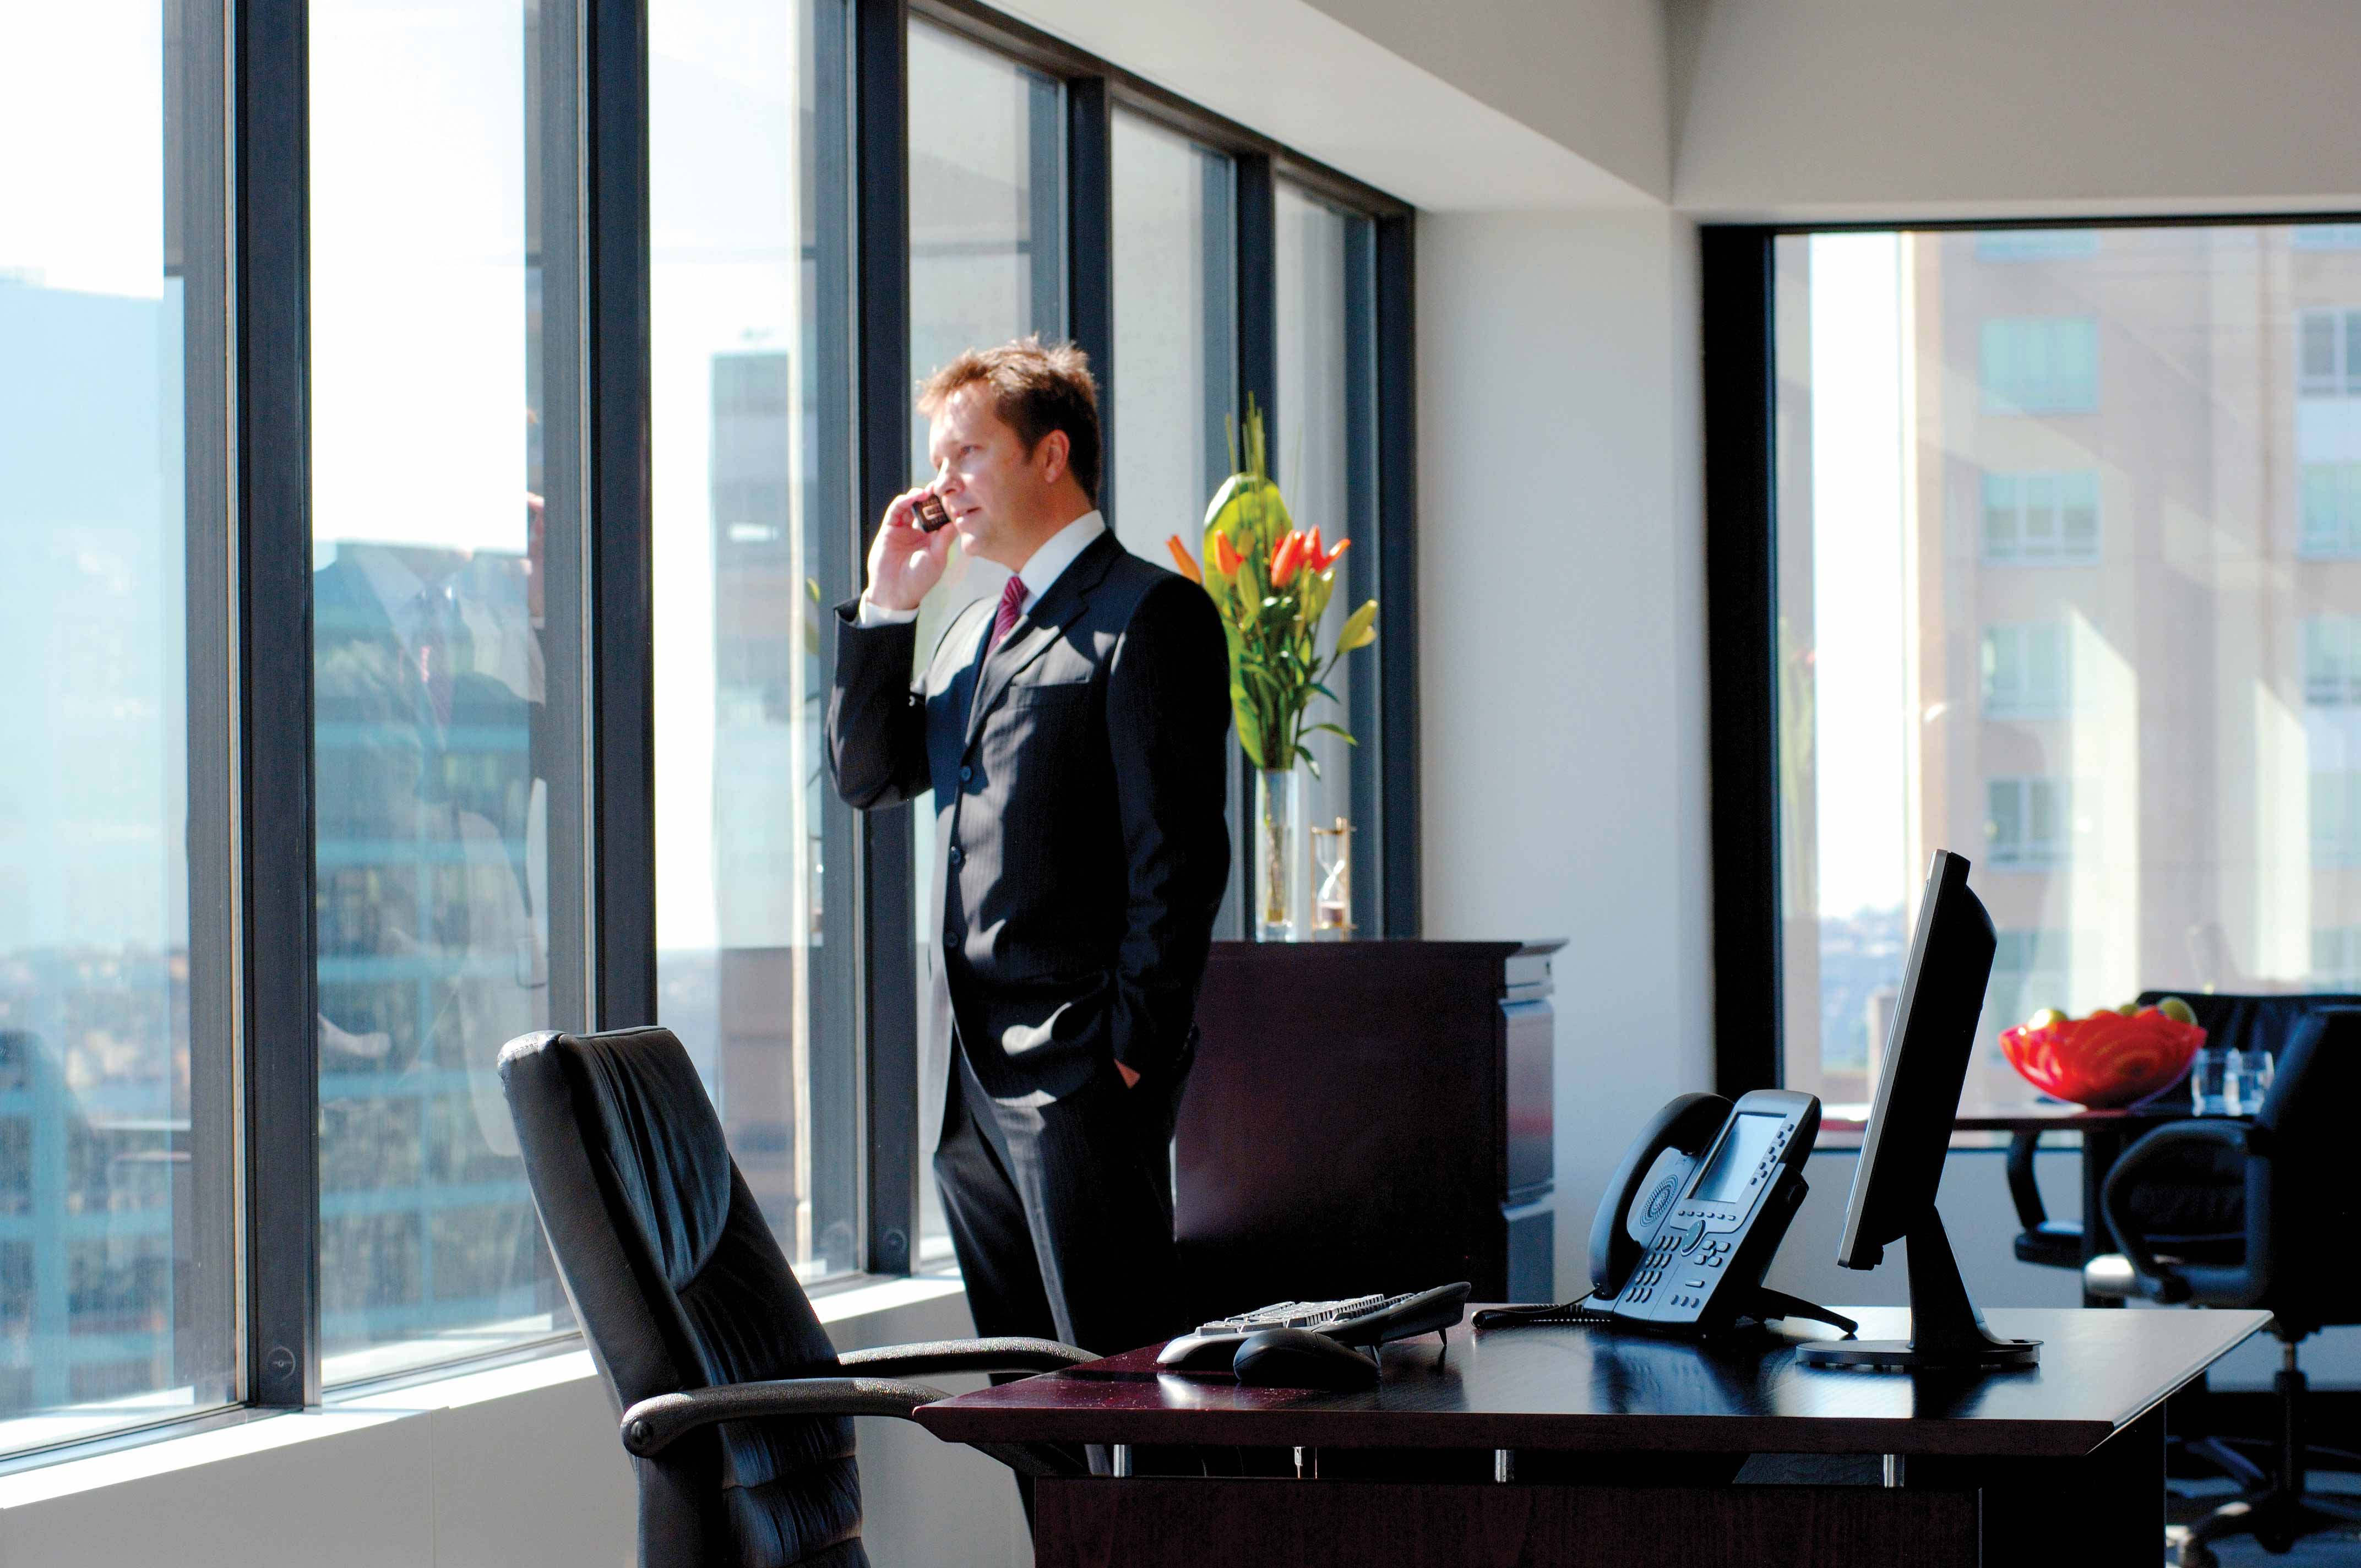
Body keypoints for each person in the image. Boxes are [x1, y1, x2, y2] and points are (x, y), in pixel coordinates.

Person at [827, 337, 1231, 1363]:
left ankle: (1144, 1537)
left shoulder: (1149, 615)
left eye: (966, 454)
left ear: (1052, 456)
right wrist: (888, 607)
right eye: (937, 460)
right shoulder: (968, 632)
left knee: (1120, 1386)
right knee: (1027, 1395)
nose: (941, 484)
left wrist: (1128, 1055)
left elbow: (1178, 864)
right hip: (969, 1093)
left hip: (1081, 1079)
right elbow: (869, 775)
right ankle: (1057, 1538)